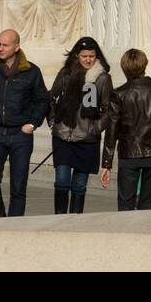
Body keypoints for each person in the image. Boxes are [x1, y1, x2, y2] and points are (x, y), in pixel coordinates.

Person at [0, 29, 50, 217]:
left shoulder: (31, 71)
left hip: (21, 135)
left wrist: (32, 124)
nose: (0, 48)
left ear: (17, 46)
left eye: (5, 45)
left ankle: (14, 224)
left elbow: (42, 100)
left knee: (18, 186)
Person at [47, 37, 113, 214]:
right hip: (63, 136)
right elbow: (51, 98)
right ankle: (59, 218)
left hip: (87, 139)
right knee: (61, 181)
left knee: (79, 185)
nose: (88, 60)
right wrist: (53, 120)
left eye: (92, 56)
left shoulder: (102, 78)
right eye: (84, 56)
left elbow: (108, 109)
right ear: (77, 55)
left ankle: (75, 221)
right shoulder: (66, 73)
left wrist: (95, 128)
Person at [101, 49, 151, 211]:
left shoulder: (119, 94)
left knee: (126, 203)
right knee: (149, 203)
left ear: (124, 68)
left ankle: (127, 235)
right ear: (145, 64)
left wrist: (107, 163)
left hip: (129, 153)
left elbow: (112, 131)